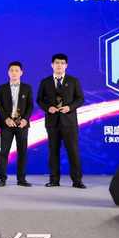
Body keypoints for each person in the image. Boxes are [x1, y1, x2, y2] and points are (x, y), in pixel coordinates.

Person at [36, 53, 86, 189]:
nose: (59, 65)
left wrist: (69, 107)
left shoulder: (73, 80)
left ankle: (77, 181)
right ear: (52, 65)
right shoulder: (45, 82)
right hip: (52, 122)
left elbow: (80, 99)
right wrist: (48, 108)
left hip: (69, 122)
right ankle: (54, 180)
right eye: (57, 63)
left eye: (62, 63)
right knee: (53, 152)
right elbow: (39, 99)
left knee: (73, 152)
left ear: (66, 65)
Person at [0, 61, 33, 187]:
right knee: (4, 152)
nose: (14, 73)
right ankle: (2, 179)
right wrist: (6, 118)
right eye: (11, 70)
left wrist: (25, 120)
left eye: (17, 70)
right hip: (7, 124)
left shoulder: (27, 88)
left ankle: (21, 179)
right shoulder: (2, 88)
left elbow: (30, 105)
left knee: (22, 152)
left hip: (22, 125)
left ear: (21, 72)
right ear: (8, 72)